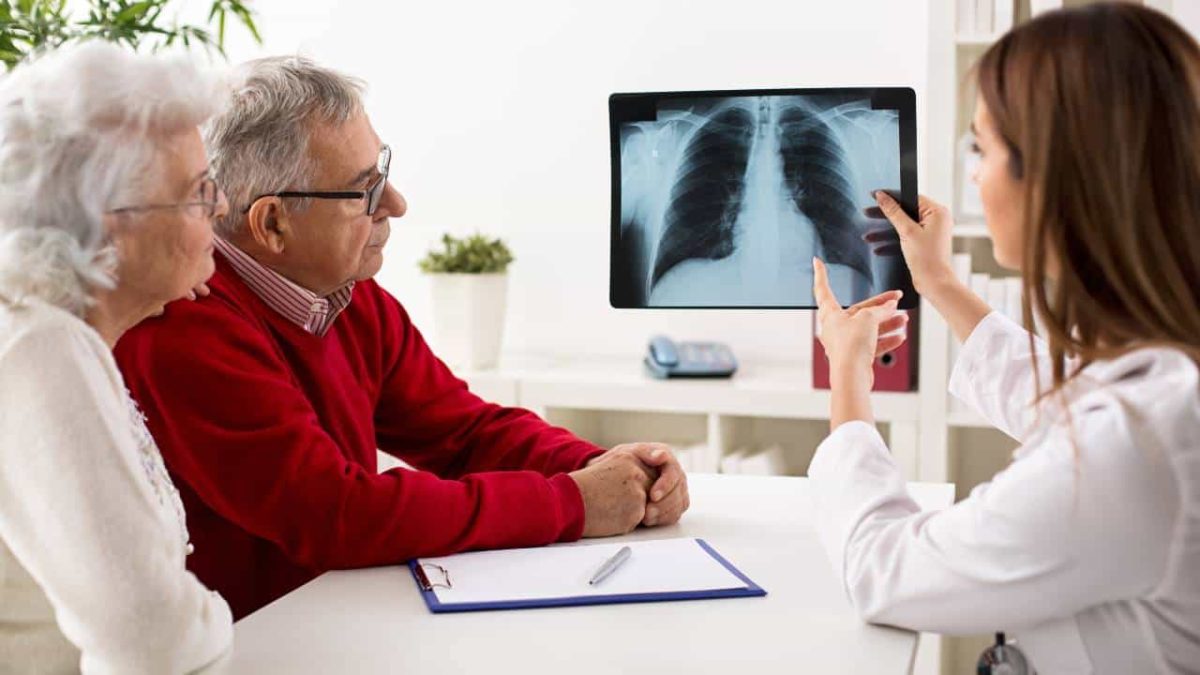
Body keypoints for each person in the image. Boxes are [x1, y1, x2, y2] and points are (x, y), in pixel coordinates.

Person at [114, 56, 690, 619]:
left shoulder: (347, 295)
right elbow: (337, 514)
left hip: (338, 621)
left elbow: (463, 432)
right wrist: (574, 501)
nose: (396, 204)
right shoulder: (182, 326)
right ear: (272, 224)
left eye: (382, 172)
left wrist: (607, 466)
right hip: (252, 651)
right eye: (364, 191)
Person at [808, 4, 1200, 673]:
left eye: (982, 149)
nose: (973, 176)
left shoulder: (1133, 445)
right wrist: (936, 280)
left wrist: (847, 378)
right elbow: (1064, 403)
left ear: (1057, 177)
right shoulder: (1163, 370)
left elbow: (884, 571)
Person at [0, 42, 233, 673]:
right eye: (197, 191)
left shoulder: (55, 334)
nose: (221, 209)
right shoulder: (40, 348)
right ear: (106, 223)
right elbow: (153, 637)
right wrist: (212, 616)